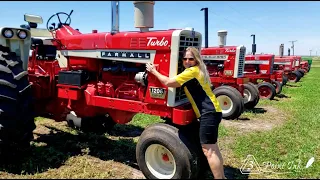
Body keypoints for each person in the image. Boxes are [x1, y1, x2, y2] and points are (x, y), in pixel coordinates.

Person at [146, 46, 226, 179]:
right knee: (213, 149)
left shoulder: (192, 71)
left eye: (191, 59)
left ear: (196, 60)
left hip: (209, 112)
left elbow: (168, 82)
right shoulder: (199, 70)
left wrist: (153, 71)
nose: (187, 61)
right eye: (185, 59)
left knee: (209, 150)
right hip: (213, 110)